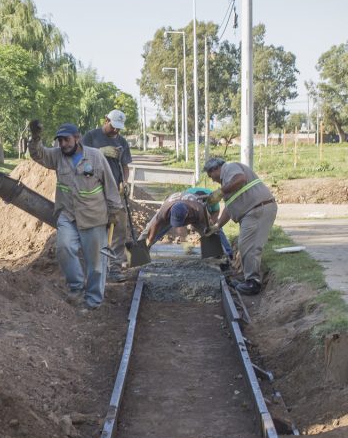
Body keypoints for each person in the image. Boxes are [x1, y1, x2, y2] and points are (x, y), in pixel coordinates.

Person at [27, 120, 122, 310]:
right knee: (64, 248)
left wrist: (113, 211)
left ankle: (93, 300)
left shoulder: (95, 157)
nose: (63, 144)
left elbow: (110, 185)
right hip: (68, 215)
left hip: (94, 217)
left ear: (77, 138)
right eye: (60, 141)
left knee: (95, 263)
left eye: (66, 140)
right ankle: (76, 288)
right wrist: (36, 138)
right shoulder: (57, 156)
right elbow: (38, 154)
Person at [203, 157, 277, 295]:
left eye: (210, 175)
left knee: (249, 246)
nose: (212, 179)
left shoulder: (229, 168)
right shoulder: (227, 181)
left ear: (215, 169)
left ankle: (253, 283)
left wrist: (220, 192)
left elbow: (240, 179)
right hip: (253, 211)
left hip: (256, 210)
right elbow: (229, 209)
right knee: (245, 245)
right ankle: (249, 279)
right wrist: (217, 225)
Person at [81, 110, 132, 279]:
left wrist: (125, 182)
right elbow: (79, 157)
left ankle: (114, 269)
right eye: (113, 127)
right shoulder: (91, 137)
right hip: (94, 189)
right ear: (106, 120)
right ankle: (93, 268)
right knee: (95, 228)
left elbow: (125, 166)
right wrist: (99, 152)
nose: (116, 131)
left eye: (119, 128)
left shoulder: (122, 142)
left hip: (115, 191)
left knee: (119, 228)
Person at [138, 188, 233, 256]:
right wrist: (149, 240)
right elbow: (155, 225)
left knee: (214, 230)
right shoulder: (165, 210)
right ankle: (137, 255)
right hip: (173, 205)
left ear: (187, 215)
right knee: (148, 230)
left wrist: (209, 234)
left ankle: (226, 255)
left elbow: (210, 225)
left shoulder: (199, 210)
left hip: (194, 213)